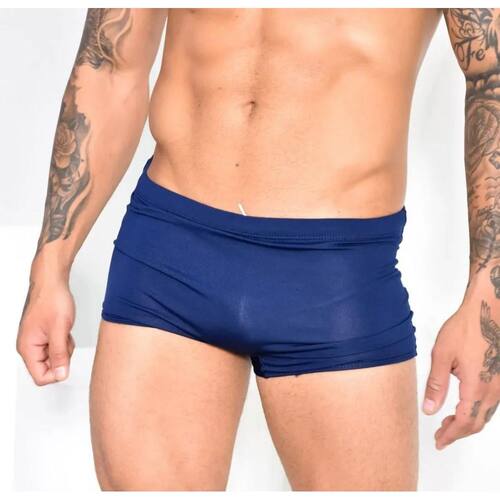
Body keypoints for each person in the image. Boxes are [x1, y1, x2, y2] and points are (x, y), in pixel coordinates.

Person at [16, 8, 500, 491]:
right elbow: (109, 62)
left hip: (334, 274)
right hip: (169, 253)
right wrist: (51, 263)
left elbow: (491, 75)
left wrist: (489, 296)